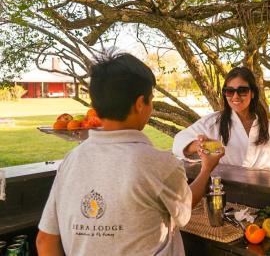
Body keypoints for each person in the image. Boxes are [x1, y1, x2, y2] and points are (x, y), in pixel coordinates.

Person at [36, 52, 223, 256]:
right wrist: (206, 169)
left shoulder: (71, 161)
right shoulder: (159, 164)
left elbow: (45, 240)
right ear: (140, 103)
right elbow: (184, 211)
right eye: (151, 100)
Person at [173, 67, 270, 171]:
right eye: (230, 91)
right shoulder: (212, 123)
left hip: (264, 192)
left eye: (242, 91)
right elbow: (178, 142)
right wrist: (198, 145)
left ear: (252, 93)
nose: (235, 96)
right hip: (224, 190)